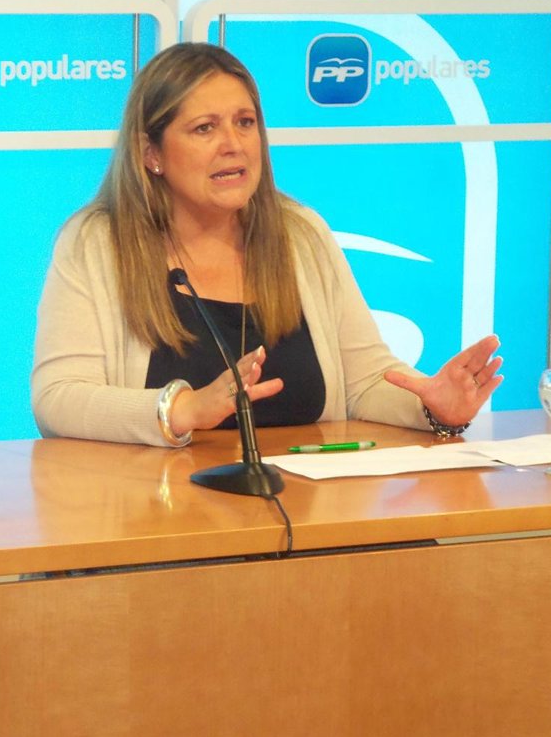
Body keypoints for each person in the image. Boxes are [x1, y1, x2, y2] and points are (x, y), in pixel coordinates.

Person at [32, 42, 501, 447]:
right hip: (159, 508)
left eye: (245, 122)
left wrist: (431, 404)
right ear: (150, 153)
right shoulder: (97, 244)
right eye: (205, 128)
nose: (233, 144)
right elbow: (59, 397)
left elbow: (365, 381)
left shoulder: (300, 236)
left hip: (303, 507)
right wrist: (183, 409)